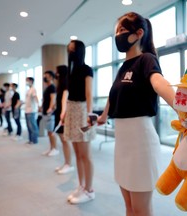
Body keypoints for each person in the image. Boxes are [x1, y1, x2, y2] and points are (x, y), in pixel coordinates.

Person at [97, 12, 176, 216]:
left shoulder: (147, 59)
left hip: (141, 143)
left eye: (122, 30)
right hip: (122, 143)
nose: (118, 36)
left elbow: (159, 82)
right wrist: (104, 116)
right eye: (117, 32)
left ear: (139, 33)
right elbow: (113, 94)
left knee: (141, 209)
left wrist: (181, 106)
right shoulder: (123, 67)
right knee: (129, 207)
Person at [64, 39, 96, 204]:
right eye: (68, 49)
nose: (70, 51)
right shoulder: (71, 71)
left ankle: (90, 190)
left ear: (79, 51)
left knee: (86, 154)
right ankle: (82, 185)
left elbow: (89, 93)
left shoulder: (86, 69)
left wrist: (89, 116)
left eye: (72, 49)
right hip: (72, 110)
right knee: (77, 153)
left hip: (83, 111)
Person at [54, 65, 74, 174]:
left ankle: (69, 164)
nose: (55, 73)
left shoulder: (66, 83)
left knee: (65, 140)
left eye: (57, 71)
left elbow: (65, 100)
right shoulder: (61, 84)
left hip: (63, 114)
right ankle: (66, 162)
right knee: (63, 140)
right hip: (60, 113)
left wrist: (63, 114)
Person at [41, 70, 59, 156]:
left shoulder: (52, 87)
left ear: (51, 77)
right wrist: (41, 107)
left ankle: (55, 148)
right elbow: (45, 99)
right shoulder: (47, 88)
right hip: (45, 112)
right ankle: (51, 148)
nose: (45, 77)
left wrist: (50, 108)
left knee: (51, 132)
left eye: (46, 76)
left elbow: (53, 98)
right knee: (49, 132)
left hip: (50, 113)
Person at [25, 77, 39, 144]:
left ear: (31, 81)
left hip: (32, 110)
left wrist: (38, 105)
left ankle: (34, 140)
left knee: (33, 126)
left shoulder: (33, 89)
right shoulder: (28, 90)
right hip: (26, 110)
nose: (26, 82)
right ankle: (30, 139)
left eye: (27, 81)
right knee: (28, 126)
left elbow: (35, 97)